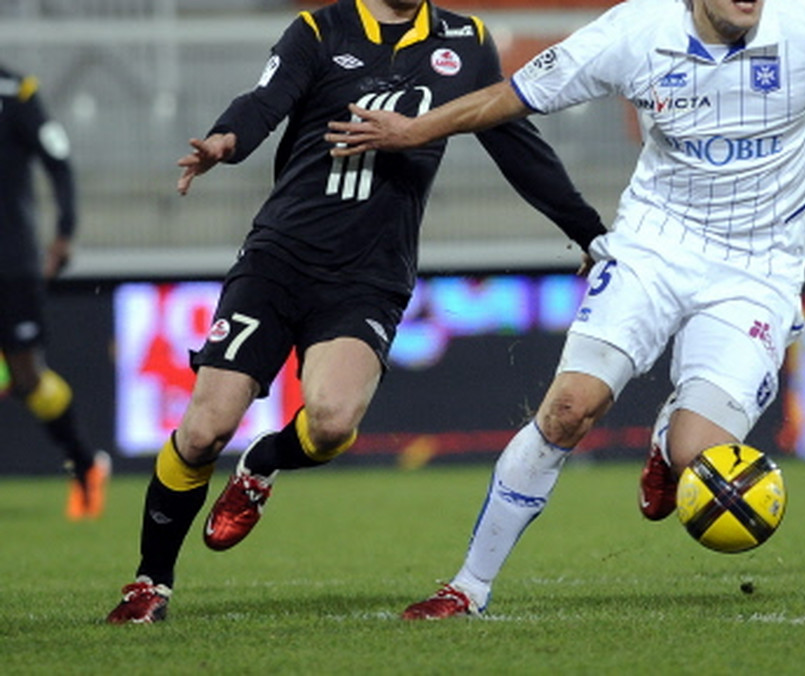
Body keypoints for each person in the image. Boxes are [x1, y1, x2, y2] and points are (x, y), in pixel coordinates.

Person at [326, 0, 805, 619]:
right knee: (566, 413)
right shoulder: (634, 33)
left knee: (698, 460)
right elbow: (512, 96)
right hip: (654, 251)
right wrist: (414, 130)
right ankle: (469, 587)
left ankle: (665, 448)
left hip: (755, 277)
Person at [104, 0, 606, 624]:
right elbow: (264, 100)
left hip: (369, 274)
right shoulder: (322, 29)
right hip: (279, 258)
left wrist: (589, 232)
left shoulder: (466, 41)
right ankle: (150, 582)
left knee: (334, 423)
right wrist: (226, 142)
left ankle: (263, 462)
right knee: (205, 427)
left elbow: (515, 145)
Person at [0, 63, 110, 522]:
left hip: (11, 260)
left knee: (28, 378)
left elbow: (58, 160)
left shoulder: (15, 91)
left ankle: (86, 464)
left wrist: (64, 231)